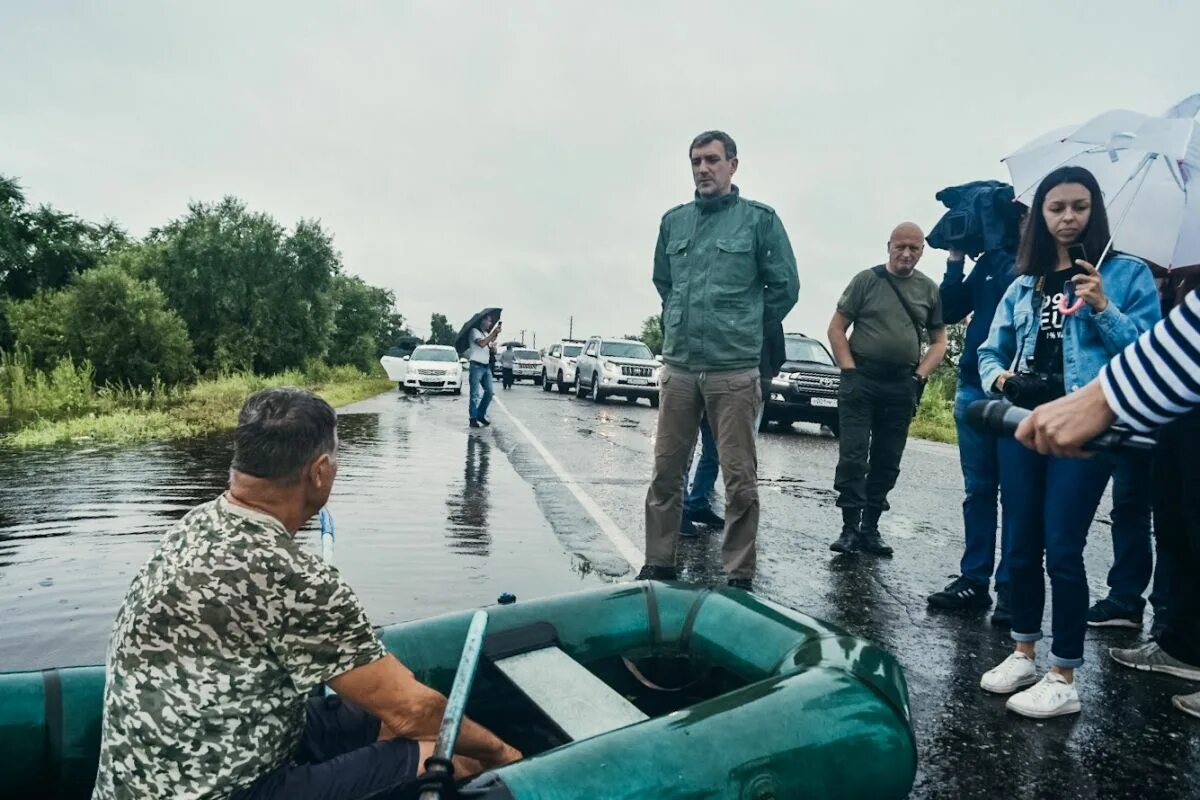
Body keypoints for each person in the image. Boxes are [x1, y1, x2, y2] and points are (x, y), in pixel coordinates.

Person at [92, 388, 520, 800]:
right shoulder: (295, 577)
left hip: (154, 776)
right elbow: (412, 711)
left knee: (377, 718)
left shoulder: (192, 525)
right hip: (232, 791)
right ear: (318, 471)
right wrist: (502, 752)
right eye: (336, 458)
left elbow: (396, 712)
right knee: (446, 757)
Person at [975, 165, 1160, 719]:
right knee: (1021, 542)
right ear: (1039, 217)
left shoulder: (1125, 275)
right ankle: (1024, 652)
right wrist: (1002, 381)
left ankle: (1064, 672)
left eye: (1079, 206)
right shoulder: (1023, 283)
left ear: (1094, 210)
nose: (1068, 217)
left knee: (1064, 546)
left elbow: (1149, 353)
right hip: (1026, 423)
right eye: (1056, 208)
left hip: (1086, 426)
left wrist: (1103, 306)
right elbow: (989, 350)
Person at [1016, 283, 1200, 719]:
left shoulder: (1127, 277)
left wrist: (1106, 394)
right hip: (1179, 412)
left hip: (1158, 390)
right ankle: (1184, 647)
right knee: (1179, 527)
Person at [637, 130, 799, 590]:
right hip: (681, 368)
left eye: (712, 160)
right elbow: (663, 281)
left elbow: (785, 287)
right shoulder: (674, 223)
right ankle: (658, 564)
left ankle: (739, 574)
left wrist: (745, 326)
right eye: (695, 161)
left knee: (739, 479)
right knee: (666, 472)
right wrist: (680, 320)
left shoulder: (760, 222)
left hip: (734, 371)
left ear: (733, 164)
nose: (703, 169)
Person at [827, 222, 947, 556]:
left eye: (915, 248)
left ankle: (871, 529)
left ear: (922, 251)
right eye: (901, 246)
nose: (907, 254)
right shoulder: (867, 280)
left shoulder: (929, 289)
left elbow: (939, 342)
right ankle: (849, 528)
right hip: (861, 378)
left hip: (901, 384)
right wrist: (848, 370)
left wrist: (919, 377)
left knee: (888, 458)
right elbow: (837, 328)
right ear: (889, 246)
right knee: (853, 456)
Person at [926, 238, 1018, 622]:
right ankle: (974, 580)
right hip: (972, 384)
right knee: (978, 491)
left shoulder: (1050, 265)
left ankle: (1013, 588)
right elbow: (949, 308)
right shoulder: (993, 260)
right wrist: (955, 258)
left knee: (1018, 495)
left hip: (1021, 391)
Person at [681, 322, 785, 537]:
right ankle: (679, 512)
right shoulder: (717, 307)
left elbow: (777, 355)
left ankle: (697, 503)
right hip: (702, 381)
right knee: (687, 451)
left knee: (714, 451)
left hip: (737, 390)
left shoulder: (766, 313)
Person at [468, 314, 501, 427]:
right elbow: (482, 343)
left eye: (491, 321)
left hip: (486, 366)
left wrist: (493, 344)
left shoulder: (486, 334)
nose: (490, 323)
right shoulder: (474, 331)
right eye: (488, 320)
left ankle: (480, 414)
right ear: (482, 320)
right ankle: (473, 418)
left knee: (489, 392)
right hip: (476, 366)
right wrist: (493, 334)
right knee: (475, 394)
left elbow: (490, 348)